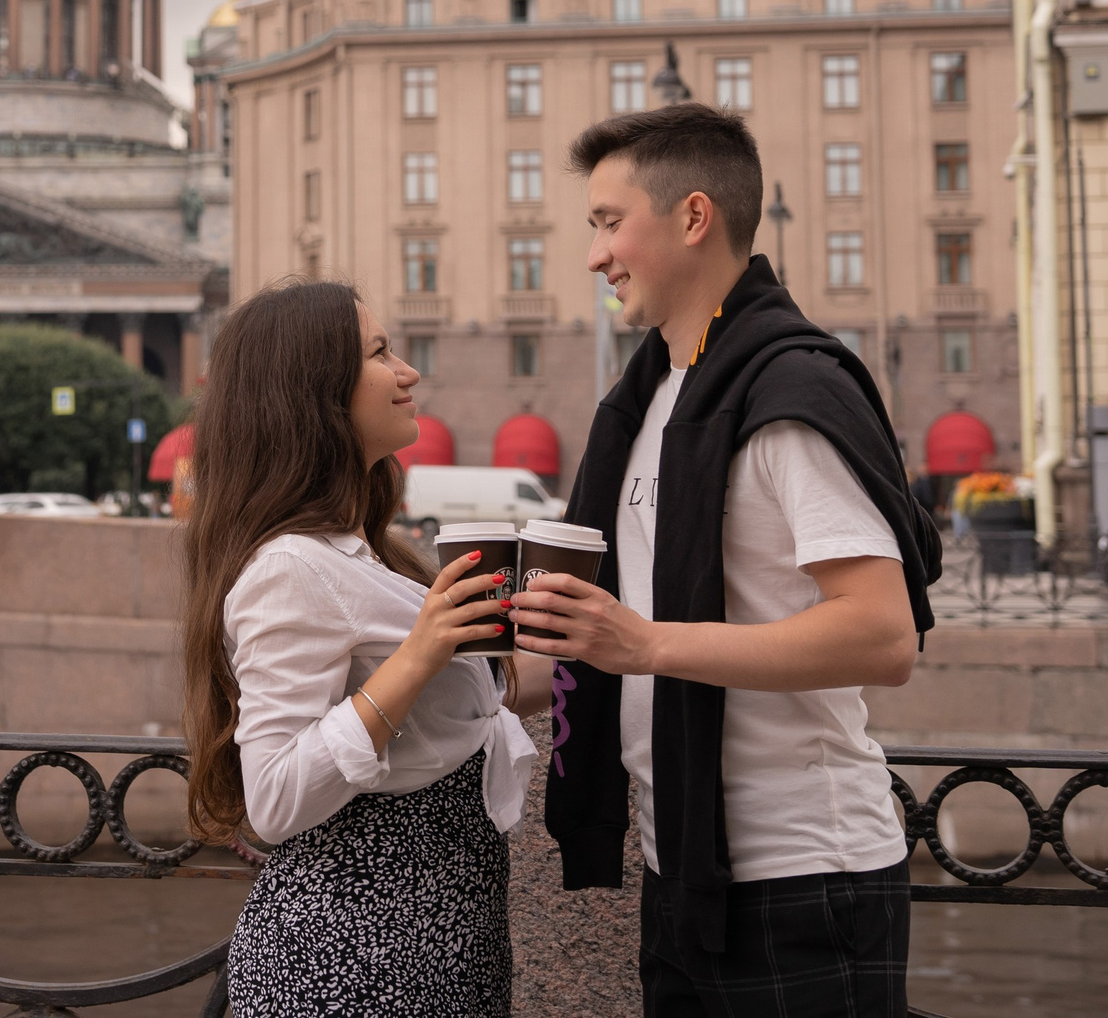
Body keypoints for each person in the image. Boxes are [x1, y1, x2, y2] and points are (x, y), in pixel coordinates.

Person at [512, 103, 940, 1018]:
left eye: (608, 221)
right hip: (687, 874)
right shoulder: (649, 400)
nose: (596, 255)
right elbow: (601, 644)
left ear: (693, 216)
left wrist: (646, 643)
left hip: (806, 877)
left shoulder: (790, 389)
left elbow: (882, 633)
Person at [181, 278, 542, 1017]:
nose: (408, 372)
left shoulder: (367, 556)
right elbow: (276, 797)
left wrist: (619, 639)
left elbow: (473, 709)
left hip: (434, 943)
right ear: (315, 393)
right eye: (380, 353)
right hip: (349, 962)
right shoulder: (288, 569)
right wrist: (420, 655)